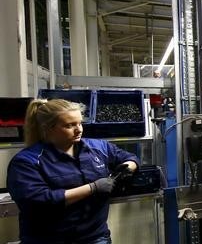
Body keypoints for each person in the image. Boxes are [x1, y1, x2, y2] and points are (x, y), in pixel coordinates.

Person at [6, 99, 139, 244]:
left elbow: (129, 157)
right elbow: (37, 201)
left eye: (80, 123)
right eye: (69, 125)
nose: (79, 130)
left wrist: (128, 166)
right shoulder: (26, 161)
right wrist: (92, 188)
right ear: (48, 128)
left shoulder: (97, 148)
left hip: (95, 237)